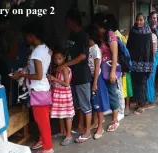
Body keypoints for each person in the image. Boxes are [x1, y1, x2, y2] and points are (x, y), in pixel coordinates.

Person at [12, 20, 53, 153]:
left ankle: (48, 149)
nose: (26, 39)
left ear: (31, 36)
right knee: (44, 120)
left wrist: (21, 76)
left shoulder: (36, 53)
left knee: (42, 121)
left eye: (26, 36)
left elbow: (38, 75)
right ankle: (45, 143)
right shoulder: (47, 49)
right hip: (45, 89)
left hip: (38, 90)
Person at [63, 9, 92, 143]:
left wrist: (65, 64)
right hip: (72, 75)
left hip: (82, 75)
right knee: (78, 104)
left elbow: (82, 56)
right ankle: (80, 126)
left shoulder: (83, 36)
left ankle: (87, 131)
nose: (66, 24)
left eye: (68, 21)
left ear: (74, 21)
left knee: (85, 104)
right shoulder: (71, 34)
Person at [93, 13, 121, 132]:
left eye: (97, 27)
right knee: (102, 94)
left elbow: (115, 54)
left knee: (112, 93)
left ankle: (115, 120)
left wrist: (112, 72)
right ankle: (101, 119)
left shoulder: (110, 35)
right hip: (101, 69)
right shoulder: (100, 36)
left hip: (109, 68)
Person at [127, 13, 154, 114]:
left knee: (142, 84)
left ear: (144, 21)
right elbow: (129, 46)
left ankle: (142, 105)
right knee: (134, 83)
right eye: (137, 20)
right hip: (133, 63)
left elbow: (150, 50)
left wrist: (150, 66)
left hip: (144, 64)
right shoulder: (133, 31)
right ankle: (136, 101)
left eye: (141, 20)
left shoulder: (148, 33)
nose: (139, 22)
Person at [48, 49, 74, 146]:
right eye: (55, 59)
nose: (57, 61)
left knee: (67, 115)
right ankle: (62, 131)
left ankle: (68, 135)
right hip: (59, 94)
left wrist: (54, 79)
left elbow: (67, 83)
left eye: (59, 58)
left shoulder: (64, 69)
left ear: (64, 58)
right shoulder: (59, 68)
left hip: (64, 94)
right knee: (60, 114)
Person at [85, 25, 107, 139]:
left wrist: (94, 83)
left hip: (96, 79)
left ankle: (100, 127)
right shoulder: (88, 48)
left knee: (99, 104)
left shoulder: (96, 49)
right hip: (91, 78)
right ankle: (95, 123)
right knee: (94, 103)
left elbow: (97, 67)